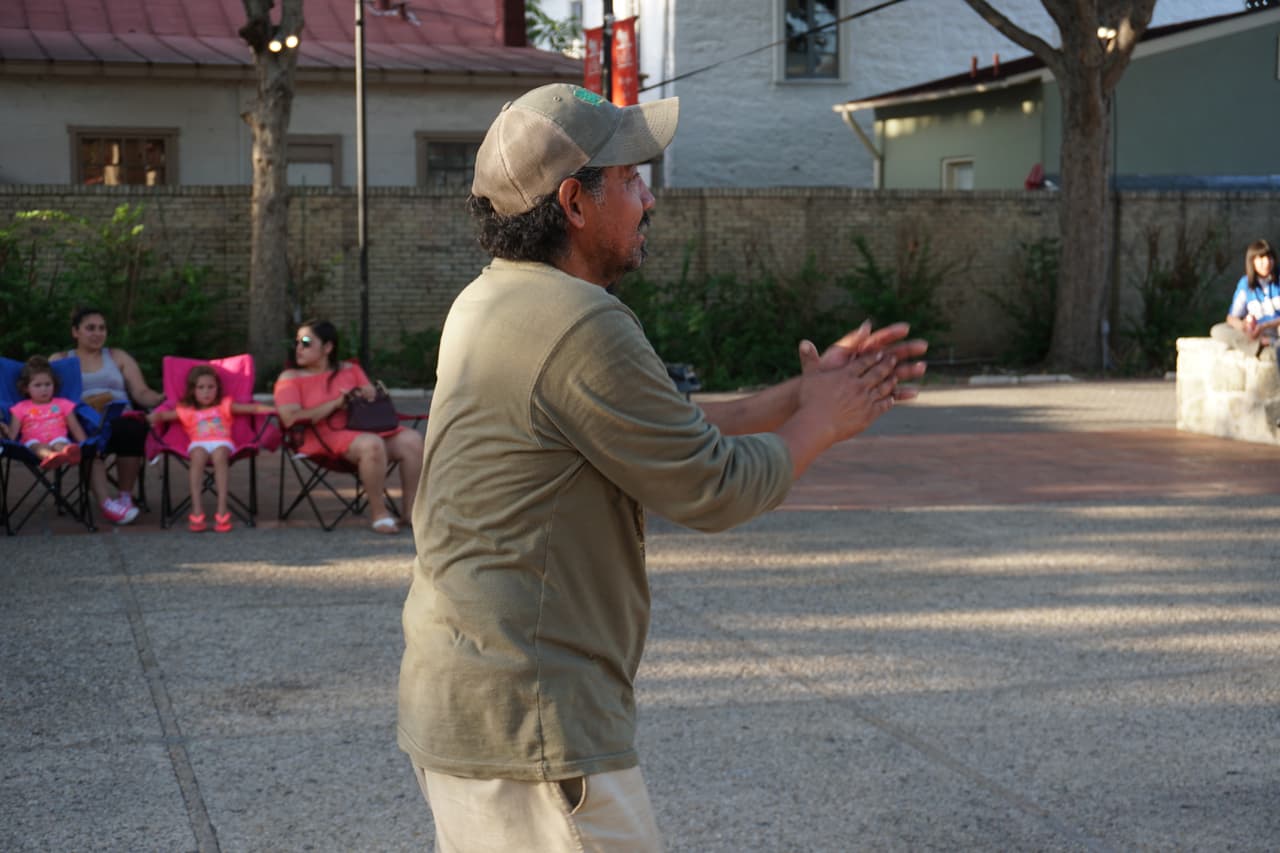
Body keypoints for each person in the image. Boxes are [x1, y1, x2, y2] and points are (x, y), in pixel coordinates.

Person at [397, 83, 928, 852]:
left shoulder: (492, 301)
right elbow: (714, 485)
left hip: (469, 704)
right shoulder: (581, 322)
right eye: (631, 178)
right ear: (575, 203)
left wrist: (799, 396)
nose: (648, 198)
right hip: (533, 724)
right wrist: (826, 419)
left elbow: (655, 428)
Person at [272, 319, 424, 534]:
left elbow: (370, 398)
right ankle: (379, 514)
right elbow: (290, 419)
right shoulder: (290, 378)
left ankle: (411, 513)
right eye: (297, 342)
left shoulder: (350, 370)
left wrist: (367, 394)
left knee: (412, 440)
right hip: (320, 436)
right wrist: (334, 404)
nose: (299, 347)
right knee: (372, 444)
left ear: (328, 347)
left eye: (306, 342)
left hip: (363, 429)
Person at [51, 306, 165, 525]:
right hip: (84, 421)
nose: (97, 333)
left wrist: (160, 399)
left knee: (132, 428)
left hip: (119, 419)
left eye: (102, 328)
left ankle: (124, 497)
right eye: (90, 328)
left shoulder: (117, 356)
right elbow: (47, 395)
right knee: (85, 437)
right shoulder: (61, 359)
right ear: (75, 332)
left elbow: (141, 392)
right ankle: (106, 503)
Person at [147, 364, 275, 532]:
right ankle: (197, 510)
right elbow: (163, 415)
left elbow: (252, 408)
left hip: (222, 441)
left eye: (210, 387)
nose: (206, 391)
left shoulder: (224, 405)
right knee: (197, 455)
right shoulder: (187, 410)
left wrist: (274, 409)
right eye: (201, 387)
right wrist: (150, 417)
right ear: (193, 390)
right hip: (198, 443)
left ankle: (222, 510)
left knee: (220, 454)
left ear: (217, 388)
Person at [4, 355, 86, 470]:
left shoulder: (63, 404)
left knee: (61, 445)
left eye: (48, 384)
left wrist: (86, 445)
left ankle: (69, 454)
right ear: (26, 388)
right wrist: (5, 437)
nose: (44, 389)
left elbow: (75, 427)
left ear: (54, 384)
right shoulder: (20, 408)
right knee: (38, 447)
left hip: (58, 438)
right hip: (33, 441)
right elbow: (12, 434)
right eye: (37, 385)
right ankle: (51, 457)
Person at [1210, 239, 1280, 362]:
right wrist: (1244, 327)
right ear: (1252, 261)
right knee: (1218, 330)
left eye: (1269, 258)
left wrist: (1265, 326)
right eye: (1261, 258)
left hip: (1275, 327)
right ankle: (1259, 345)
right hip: (1257, 334)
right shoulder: (1245, 284)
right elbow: (1232, 317)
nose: (1267, 263)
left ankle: (1272, 344)